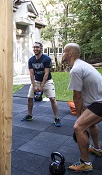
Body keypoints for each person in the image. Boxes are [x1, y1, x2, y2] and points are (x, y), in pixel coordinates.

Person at [62, 43, 102, 172]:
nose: (62, 55)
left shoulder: (76, 70)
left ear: (69, 54)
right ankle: (96, 148)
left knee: (78, 127)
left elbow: (77, 96)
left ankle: (85, 163)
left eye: (63, 52)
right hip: (96, 101)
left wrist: (79, 117)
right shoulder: (82, 65)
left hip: (99, 103)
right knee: (90, 124)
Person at [21, 42, 61, 127]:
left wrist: (42, 86)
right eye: (34, 47)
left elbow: (46, 73)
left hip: (47, 81)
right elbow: (31, 74)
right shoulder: (31, 60)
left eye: (37, 47)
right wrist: (34, 85)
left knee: (52, 99)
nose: (35, 49)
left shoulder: (46, 59)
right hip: (37, 81)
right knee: (29, 98)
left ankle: (57, 118)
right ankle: (29, 115)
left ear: (41, 48)